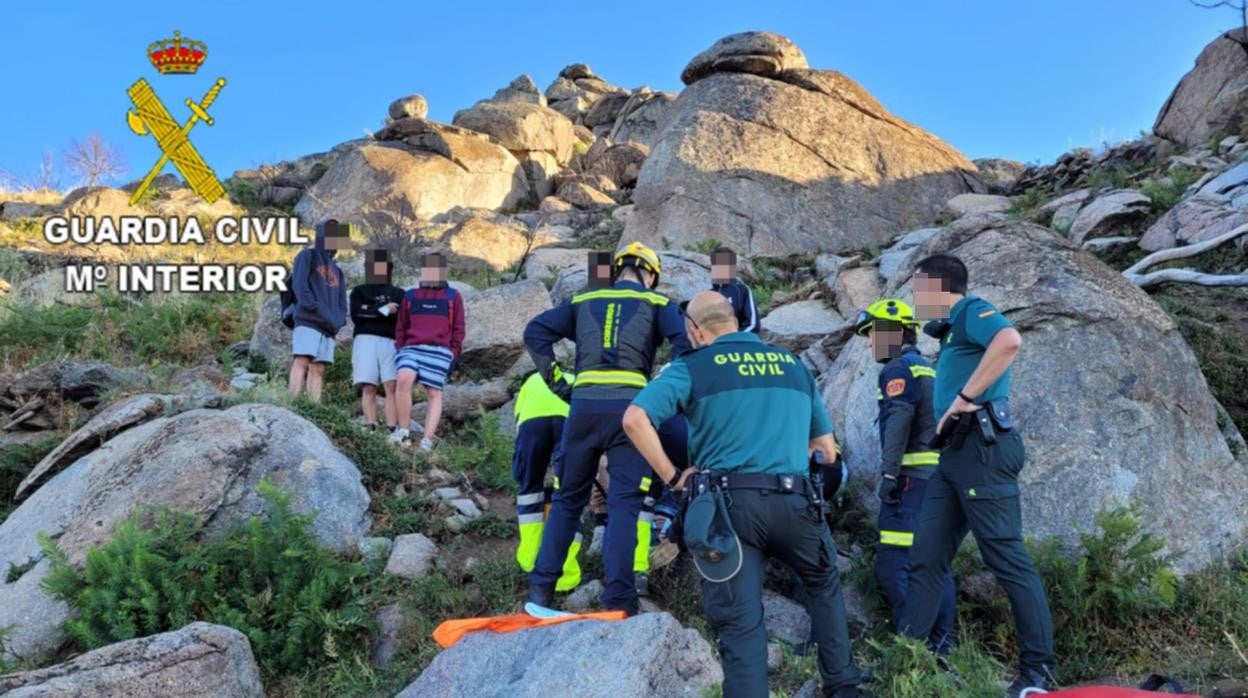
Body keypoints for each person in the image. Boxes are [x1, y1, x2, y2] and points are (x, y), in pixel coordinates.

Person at [623, 292, 866, 698]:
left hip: (726, 510)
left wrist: (674, 477)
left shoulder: (691, 368)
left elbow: (634, 419)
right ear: (736, 322)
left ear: (695, 332)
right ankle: (843, 686)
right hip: (796, 503)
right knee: (823, 589)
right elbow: (825, 449)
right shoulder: (793, 366)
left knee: (740, 623)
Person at [899, 253, 1055, 696]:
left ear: (935, 287)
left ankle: (1037, 674)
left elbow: (1009, 340)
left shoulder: (970, 311)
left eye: (917, 290)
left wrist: (966, 396)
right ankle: (905, 660)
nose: (915, 300)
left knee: (1006, 559)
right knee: (925, 557)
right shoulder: (950, 334)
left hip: (982, 450)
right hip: (953, 457)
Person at [522, 242, 690, 617]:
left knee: (567, 501)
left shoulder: (584, 300)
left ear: (618, 271)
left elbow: (535, 332)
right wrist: (663, 392)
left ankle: (539, 594)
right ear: (650, 275)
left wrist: (559, 384)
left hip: (582, 409)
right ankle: (619, 599)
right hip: (630, 410)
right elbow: (685, 346)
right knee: (624, 506)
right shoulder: (658, 304)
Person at [853, 298, 955, 654]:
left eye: (871, 334)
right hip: (936, 480)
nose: (868, 343)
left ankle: (913, 648)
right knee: (932, 564)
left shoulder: (897, 368)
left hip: (910, 480)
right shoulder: (926, 367)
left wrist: (889, 476)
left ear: (893, 332)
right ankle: (943, 648)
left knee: (894, 564)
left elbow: (898, 421)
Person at [511, 369, 583, 591]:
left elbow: (518, 423)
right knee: (570, 496)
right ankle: (567, 574)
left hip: (531, 423)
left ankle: (530, 560)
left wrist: (527, 475)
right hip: (567, 420)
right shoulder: (575, 380)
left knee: (529, 493)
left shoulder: (530, 382)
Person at [391, 252, 466, 451]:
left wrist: (453, 353)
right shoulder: (411, 296)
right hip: (412, 348)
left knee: (434, 393)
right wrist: (400, 348)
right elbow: (401, 327)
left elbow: (459, 328)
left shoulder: (453, 296)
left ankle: (427, 440)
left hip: (440, 350)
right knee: (404, 378)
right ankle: (403, 431)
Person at [288, 219, 349, 402]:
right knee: (302, 361)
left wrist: (338, 320)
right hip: (308, 319)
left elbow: (341, 300)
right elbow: (299, 285)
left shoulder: (338, 270)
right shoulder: (307, 256)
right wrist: (313, 307)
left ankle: (313, 408)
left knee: (319, 368)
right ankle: (292, 404)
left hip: (328, 326)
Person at [349, 249, 405, 431]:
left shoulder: (398, 293)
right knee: (368, 386)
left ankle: (392, 428)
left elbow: (401, 319)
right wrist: (383, 310)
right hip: (365, 340)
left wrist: (371, 311)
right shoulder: (359, 291)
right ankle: (370, 426)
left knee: (391, 385)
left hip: (390, 341)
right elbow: (358, 315)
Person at [710, 246, 760, 333]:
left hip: (738, 341)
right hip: (714, 344)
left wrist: (735, 339)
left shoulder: (742, 290)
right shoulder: (710, 294)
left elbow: (753, 324)